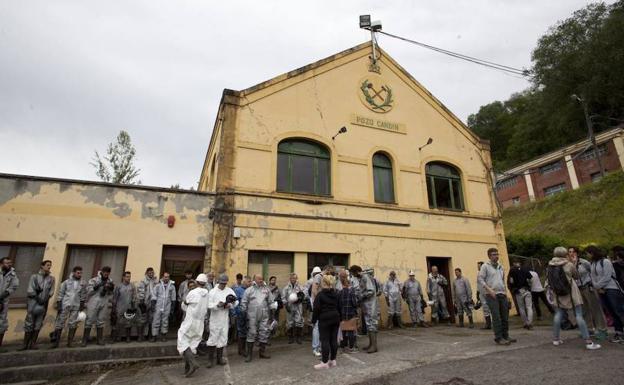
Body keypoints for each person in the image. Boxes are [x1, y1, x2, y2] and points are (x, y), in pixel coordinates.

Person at [546, 246, 601, 350]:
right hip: (571, 292)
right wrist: (574, 263)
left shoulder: (550, 265)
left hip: (558, 294)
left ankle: (556, 339)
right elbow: (576, 276)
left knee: (558, 314)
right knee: (579, 315)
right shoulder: (568, 264)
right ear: (564, 254)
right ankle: (588, 342)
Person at [568, 247, 607, 340]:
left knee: (595, 308)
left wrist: (596, 284)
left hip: (587, 286)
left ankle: (602, 329)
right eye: (569, 252)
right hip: (578, 289)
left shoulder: (584, 262)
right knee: (584, 310)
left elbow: (593, 272)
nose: (571, 253)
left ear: (577, 253)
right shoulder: (569, 264)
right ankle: (589, 329)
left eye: (573, 251)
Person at [478, 248, 515, 345]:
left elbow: (502, 281)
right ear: (489, 256)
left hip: (502, 293)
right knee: (496, 316)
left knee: (504, 316)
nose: (496, 256)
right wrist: (489, 289)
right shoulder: (485, 266)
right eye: (494, 254)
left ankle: (506, 335)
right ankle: (498, 337)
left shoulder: (501, 267)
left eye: (497, 254)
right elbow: (480, 279)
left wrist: (506, 293)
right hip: (491, 295)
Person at [587, 245, 624, 343]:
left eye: (588, 253)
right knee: (611, 311)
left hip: (611, 288)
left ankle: (620, 331)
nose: (587, 256)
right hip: (601, 290)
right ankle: (619, 332)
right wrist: (597, 286)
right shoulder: (593, 263)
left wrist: (597, 285)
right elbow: (593, 276)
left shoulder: (605, 262)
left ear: (592, 253)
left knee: (617, 310)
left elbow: (607, 276)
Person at [177, 273, 209, 378]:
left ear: (196, 282)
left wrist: (186, 304)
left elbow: (184, 304)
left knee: (182, 341)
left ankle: (194, 364)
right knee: (191, 345)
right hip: (200, 323)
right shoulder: (207, 294)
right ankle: (187, 369)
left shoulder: (192, 293)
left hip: (190, 321)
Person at [20, 260, 55, 350]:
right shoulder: (34, 277)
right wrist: (38, 298)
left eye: (50, 265)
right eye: (47, 265)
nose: (49, 267)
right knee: (29, 323)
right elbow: (30, 290)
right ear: (42, 266)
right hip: (33, 303)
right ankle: (25, 344)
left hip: (43, 304)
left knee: (38, 324)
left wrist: (45, 299)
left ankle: (33, 343)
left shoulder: (51, 279)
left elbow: (51, 291)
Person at [240, 274, 275, 362]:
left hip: (264, 315)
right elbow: (243, 303)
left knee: (264, 332)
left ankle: (262, 353)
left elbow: (271, 302)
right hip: (252, 316)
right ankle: (249, 355)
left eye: (262, 278)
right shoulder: (249, 290)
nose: (261, 280)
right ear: (254, 279)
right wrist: (243, 313)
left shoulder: (266, 290)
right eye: (259, 278)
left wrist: (272, 313)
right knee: (251, 333)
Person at [205, 274, 238, 368]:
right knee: (213, 338)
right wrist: (217, 305)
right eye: (222, 283)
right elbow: (208, 305)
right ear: (218, 281)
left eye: (225, 283)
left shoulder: (229, 291)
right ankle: (210, 360)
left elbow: (235, 301)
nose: (223, 285)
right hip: (215, 319)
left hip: (224, 318)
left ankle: (219, 359)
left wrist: (230, 305)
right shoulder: (212, 292)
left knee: (223, 338)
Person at [52, 265, 86, 348]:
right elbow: (61, 293)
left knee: (73, 324)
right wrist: (59, 304)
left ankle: (70, 342)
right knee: (60, 323)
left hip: (76, 305)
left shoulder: (82, 283)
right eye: (78, 273)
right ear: (73, 273)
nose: (79, 275)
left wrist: (81, 306)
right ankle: (56, 342)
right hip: (65, 305)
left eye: (81, 273)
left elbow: (83, 295)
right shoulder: (66, 282)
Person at [312, 274, 341, 370]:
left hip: (324, 319)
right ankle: (333, 360)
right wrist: (339, 317)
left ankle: (324, 362)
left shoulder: (320, 295)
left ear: (323, 282)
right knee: (333, 340)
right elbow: (339, 307)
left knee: (325, 340)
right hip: (335, 318)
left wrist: (314, 320)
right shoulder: (336, 294)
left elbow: (316, 309)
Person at [349, 265, 379, 353]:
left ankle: (374, 346)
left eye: (353, 273)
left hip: (370, 305)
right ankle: (371, 344)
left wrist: (361, 296)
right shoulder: (361, 278)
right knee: (369, 324)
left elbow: (371, 291)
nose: (353, 275)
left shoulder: (365, 277)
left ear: (357, 271)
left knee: (372, 324)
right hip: (366, 305)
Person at [83, 266, 114, 347]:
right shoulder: (94, 280)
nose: (106, 273)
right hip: (94, 301)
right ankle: (84, 340)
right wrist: (97, 286)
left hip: (104, 301)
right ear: (102, 272)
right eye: (105, 272)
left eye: (108, 272)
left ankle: (99, 339)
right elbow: (88, 291)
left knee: (101, 320)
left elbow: (111, 294)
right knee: (89, 319)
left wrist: (110, 289)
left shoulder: (110, 281)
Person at [0, 257, 19, 352]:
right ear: (1, 263)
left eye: (10, 263)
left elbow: (14, 285)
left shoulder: (12, 274)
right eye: (7, 263)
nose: (9, 264)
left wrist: (5, 293)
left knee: (2, 323)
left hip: (4, 301)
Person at [507, 261, 534, 330]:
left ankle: (525, 323)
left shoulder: (512, 271)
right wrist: (530, 286)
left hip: (518, 291)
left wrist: (512, 288)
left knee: (521, 308)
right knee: (529, 307)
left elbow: (511, 281)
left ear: (514, 263)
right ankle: (529, 322)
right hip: (526, 289)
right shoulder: (525, 269)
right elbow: (531, 278)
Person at [112, 271, 137, 343]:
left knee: (128, 323)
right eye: (127, 276)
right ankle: (116, 338)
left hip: (129, 308)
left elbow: (134, 297)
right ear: (123, 277)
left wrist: (133, 307)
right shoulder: (119, 286)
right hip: (119, 308)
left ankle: (128, 338)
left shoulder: (132, 286)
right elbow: (115, 298)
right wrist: (113, 309)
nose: (128, 278)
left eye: (129, 277)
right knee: (118, 323)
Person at [338, 270, 359, 352]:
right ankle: (351, 347)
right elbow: (354, 303)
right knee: (350, 331)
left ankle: (343, 347)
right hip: (351, 313)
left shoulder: (340, 292)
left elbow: (339, 304)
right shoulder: (351, 291)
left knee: (343, 331)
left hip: (342, 314)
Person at [151, 272, 176, 342]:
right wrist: (153, 305)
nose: (166, 278)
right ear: (162, 277)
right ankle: (154, 336)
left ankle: (163, 336)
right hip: (158, 306)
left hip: (167, 306)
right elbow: (154, 295)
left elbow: (173, 298)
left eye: (168, 277)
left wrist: (172, 308)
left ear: (169, 278)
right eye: (165, 277)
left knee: (165, 321)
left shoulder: (172, 286)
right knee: (156, 321)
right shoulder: (158, 285)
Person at [282, 273, 306, 344]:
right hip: (290, 306)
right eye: (292, 278)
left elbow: (305, 294)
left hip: (298, 306)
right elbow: (283, 297)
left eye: (294, 278)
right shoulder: (286, 288)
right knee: (290, 322)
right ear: (290, 279)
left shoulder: (300, 287)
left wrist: (301, 297)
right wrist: (286, 305)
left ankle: (298, 337)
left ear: (296, 279)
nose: (293, 279)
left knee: (299, 322)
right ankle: (290, 337)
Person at [136, 267, 158, 341]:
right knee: (142, 319)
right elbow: (140, 291)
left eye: (152, 272)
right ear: (146, 273)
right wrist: (142, 302)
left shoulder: (156, 281)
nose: (151, 274)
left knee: (151, 320)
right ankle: (140, 336)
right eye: (149, 273)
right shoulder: (143, 281)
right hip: (144, 303)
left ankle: (150, 336)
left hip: (153, 303)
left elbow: (157, 291)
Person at [307, 266, 322, 357]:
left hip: (318, 305)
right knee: (316, 326)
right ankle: (316, 347)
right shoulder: (310, 282)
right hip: (315, 306)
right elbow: (308, 293)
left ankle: (318, 346)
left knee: (319, 326)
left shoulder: (321, 280)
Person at [234, 275, 251, 356]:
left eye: (250, 281)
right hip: (241, 314)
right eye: (249, 281)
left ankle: (243, 349)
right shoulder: (238, 290)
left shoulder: (251, 290)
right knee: (241, 332)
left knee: (247, 331)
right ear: (244, 282)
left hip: (249, 314)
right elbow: (235, 303)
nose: (250, 283)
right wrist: (236, 313)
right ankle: (241, 350)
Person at [476, 261, 491, 330]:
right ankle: (488, 324)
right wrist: (477, 292)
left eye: (479, 266)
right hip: (481, 294)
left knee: (491, 308)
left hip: (488, 293)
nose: (478, 267)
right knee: (485, 309)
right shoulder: (478, 273)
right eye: (478, 266)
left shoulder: (487, 273)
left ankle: (495, 323)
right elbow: (478, 284)